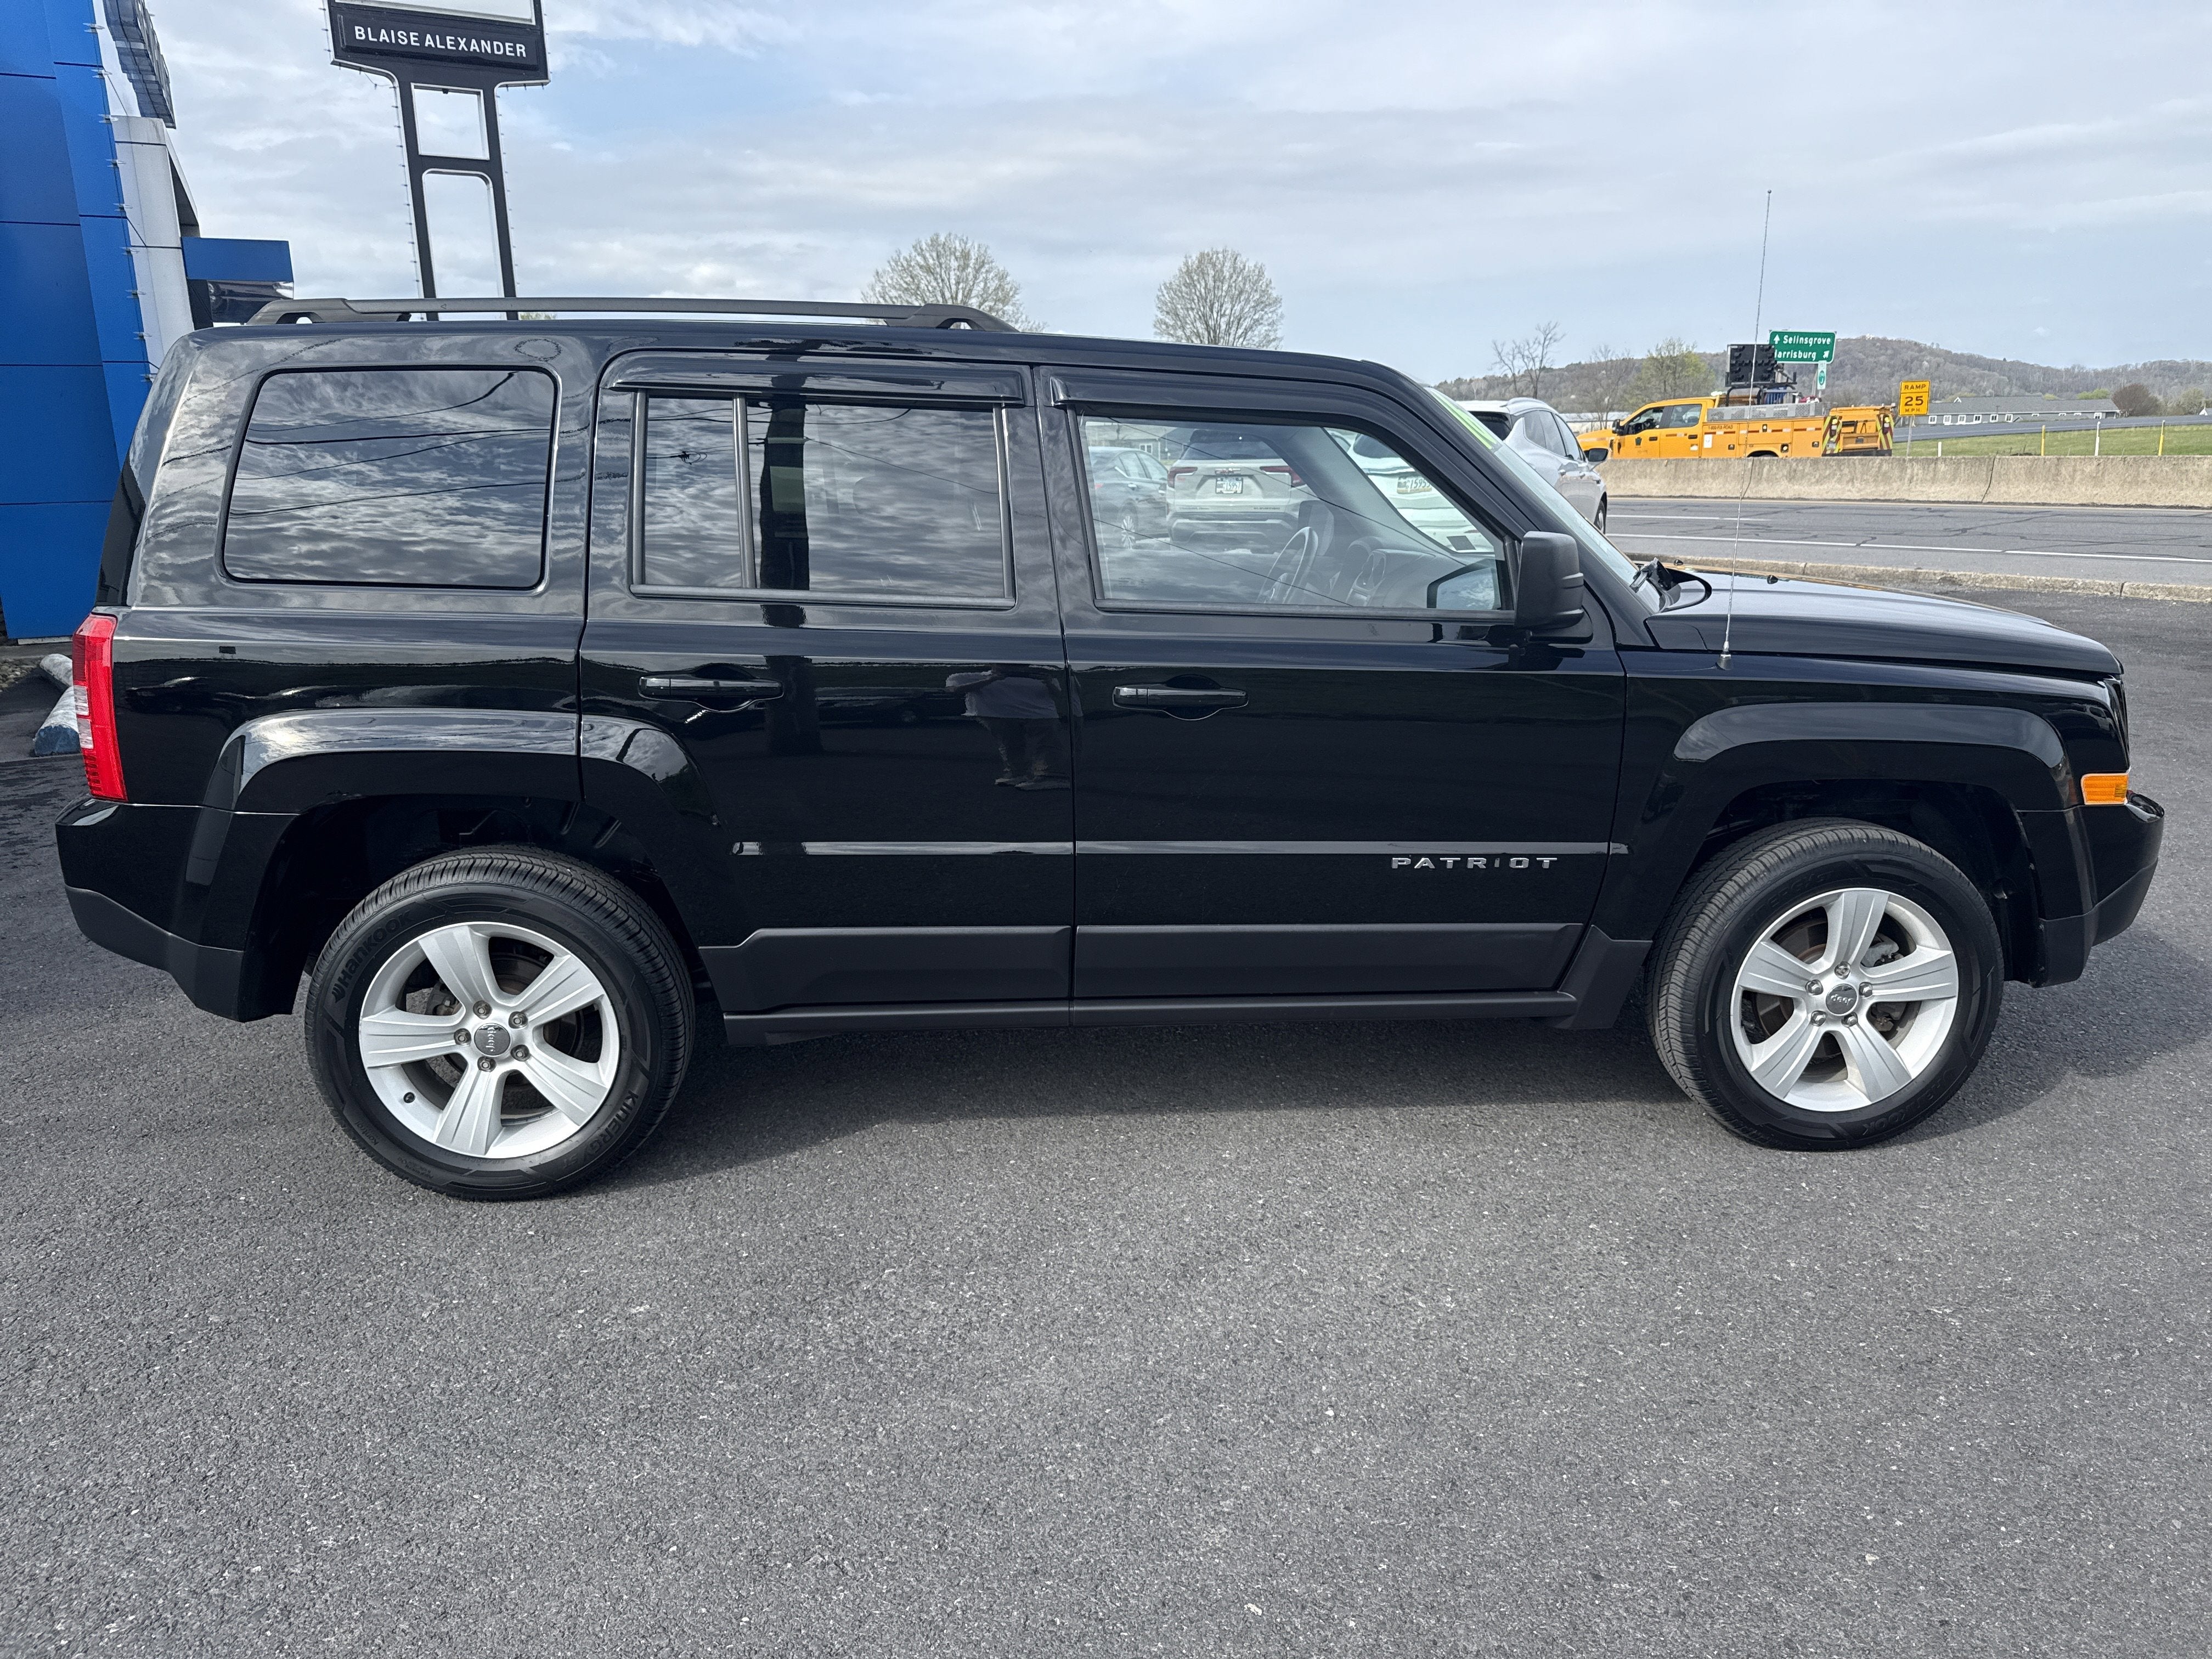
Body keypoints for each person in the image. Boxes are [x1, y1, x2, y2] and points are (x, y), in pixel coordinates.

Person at [945, 667, 1069, 790]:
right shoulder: (974, 677)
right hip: (1001, 715)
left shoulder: (1041, 675)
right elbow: (953, 690)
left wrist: (1048, 682)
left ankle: (1051, 776)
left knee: (1046, 744)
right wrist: (990, 680)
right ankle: (1018, 774)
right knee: (1010, 744)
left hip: (1040, 715)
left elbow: (1058, 693)